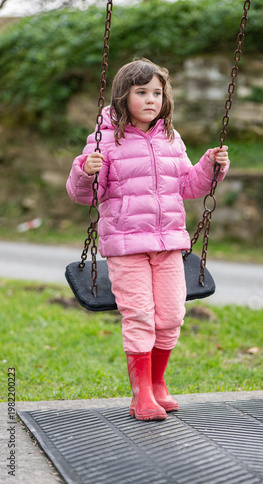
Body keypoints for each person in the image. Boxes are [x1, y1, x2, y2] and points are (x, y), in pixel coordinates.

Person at [66, 58, 230, 421]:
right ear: (124, 96)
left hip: (169, 244)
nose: (151, 99)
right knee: (140, 315)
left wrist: (210, 165)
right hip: (126, 246)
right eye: (142, 92)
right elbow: (85, 194)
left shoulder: (171, 138)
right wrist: (83, 171)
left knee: (171, 316)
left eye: (157, 92)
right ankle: (141, 395)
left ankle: (158, 384)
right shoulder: (104, 139)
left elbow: (188, 186)